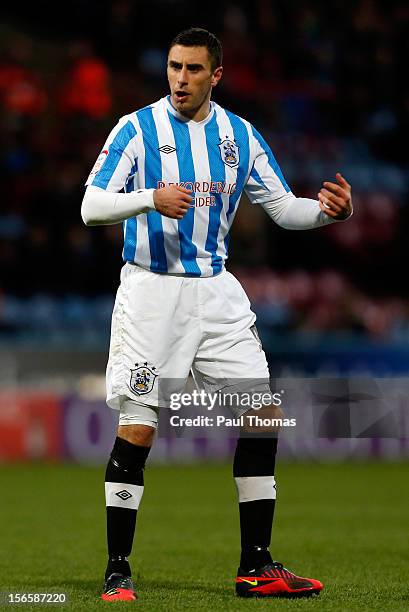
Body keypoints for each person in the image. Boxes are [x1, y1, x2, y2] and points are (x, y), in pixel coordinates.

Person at [81, 28, 352, 601]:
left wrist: (328, 214)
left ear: (216, 75)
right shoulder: (136, 129)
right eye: (174, 67)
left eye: (193, 70)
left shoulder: (240, 136)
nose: (180, 79)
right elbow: (91, 206)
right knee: (138, 428)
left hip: (217, 294)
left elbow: (284, 208)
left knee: (262, 414)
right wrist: (148, 198)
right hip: (151, 294)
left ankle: (256, 566)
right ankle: (117, 569)